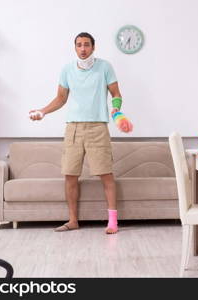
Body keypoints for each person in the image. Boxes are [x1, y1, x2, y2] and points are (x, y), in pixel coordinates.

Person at [29, 32, 127, 234]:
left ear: (93, 47)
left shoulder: (105, 67)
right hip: (73, 128)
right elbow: (61, 98)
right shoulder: (67, 70)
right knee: (70, 176)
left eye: (87, 45)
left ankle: (112, 222)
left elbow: (116, 94)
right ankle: (73, 220)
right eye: (79, 45)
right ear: (75, 48)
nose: (83, 48)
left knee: (106, 175)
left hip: (97, 127)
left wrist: (116, 108)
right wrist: (42, 112)